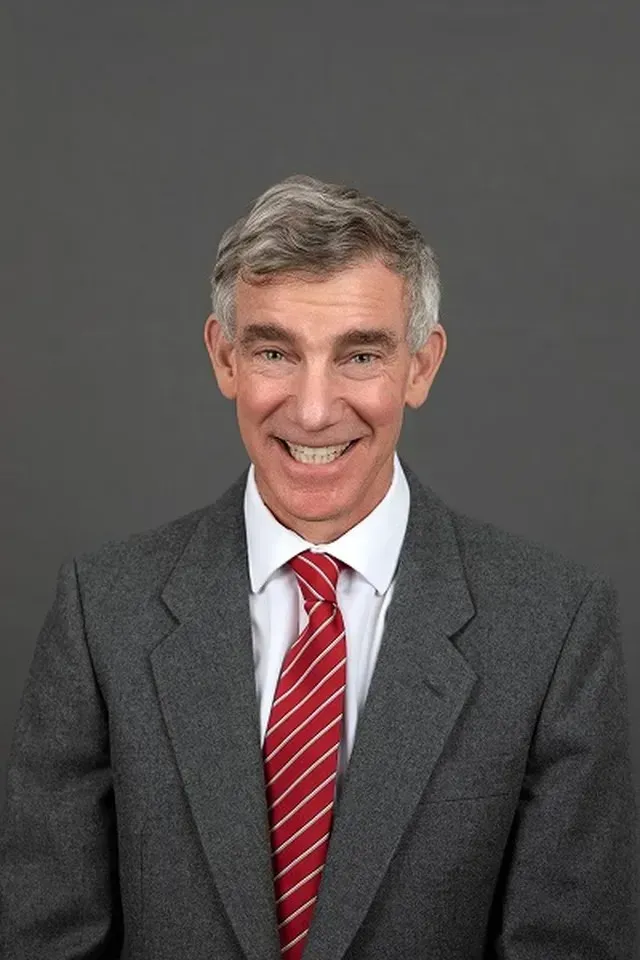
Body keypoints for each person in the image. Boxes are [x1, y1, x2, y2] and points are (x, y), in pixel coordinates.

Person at [0, 174, 636, 960]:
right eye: (275, 352)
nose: (311, 410)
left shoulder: (553, 630)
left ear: (421, 366)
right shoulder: (103, 612)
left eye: (360, 355)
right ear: (224, 358)